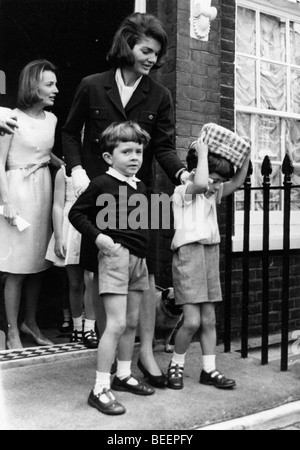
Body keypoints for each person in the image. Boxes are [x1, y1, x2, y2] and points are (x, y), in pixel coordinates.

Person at [62, 12, 189, 387]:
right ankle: (116, 364)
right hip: (100, 191)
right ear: (127, 45)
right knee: (101, 275)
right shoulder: (92, 85)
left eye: (156, 53)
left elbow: (163, 147)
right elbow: (70, 133)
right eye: (145, 50)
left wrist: (181, 174)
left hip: (141, 195)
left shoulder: (160, 95)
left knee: (145, 276)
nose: (151, 58)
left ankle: (146, 355)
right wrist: (76, 170)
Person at [69, 121, 155, 416]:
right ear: (109, 157)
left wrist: (142, 255)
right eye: (126, 151)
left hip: (137, 262)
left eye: (139, 151)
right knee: (116, 324)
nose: (134, 157)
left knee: (131, 324)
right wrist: (99, 238)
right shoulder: (101, 184)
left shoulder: (140, 186)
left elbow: (144, 224)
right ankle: (99, 388)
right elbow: (76, 214)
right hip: (115, 259)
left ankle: (123, 374)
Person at [167, 136, 251, 390]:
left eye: (218, 183)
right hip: (188, 255)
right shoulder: (184, 192)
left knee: (209, 320)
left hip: (210, 254)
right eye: (214, 181)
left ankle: (209, 369)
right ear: (196, 171)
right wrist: (202, 152)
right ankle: (176, 364)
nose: (216, 187)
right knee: (191, 321)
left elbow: (237, 181)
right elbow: (202, 182)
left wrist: (245, 156)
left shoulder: (211, 194)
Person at [0, 60, 59, 350]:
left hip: (43, 191)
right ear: (32, 86)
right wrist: (6, 200)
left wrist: (68, 167)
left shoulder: (52, 120)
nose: (56, 90)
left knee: (39, 263)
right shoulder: (10, 117)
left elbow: (46, 154)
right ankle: (12, 330)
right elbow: (0, 161)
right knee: (17, 267)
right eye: (49, 84)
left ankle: (31, 323)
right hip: (17, 192)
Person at [46, 165, 98, 348]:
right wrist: (59, 236)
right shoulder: (64, 170)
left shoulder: (98, 165)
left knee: (91, 279)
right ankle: (77, 326)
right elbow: (57, 205)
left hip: (91, 225)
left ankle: (89, 328)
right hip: (71, 227)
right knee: (75, 283)